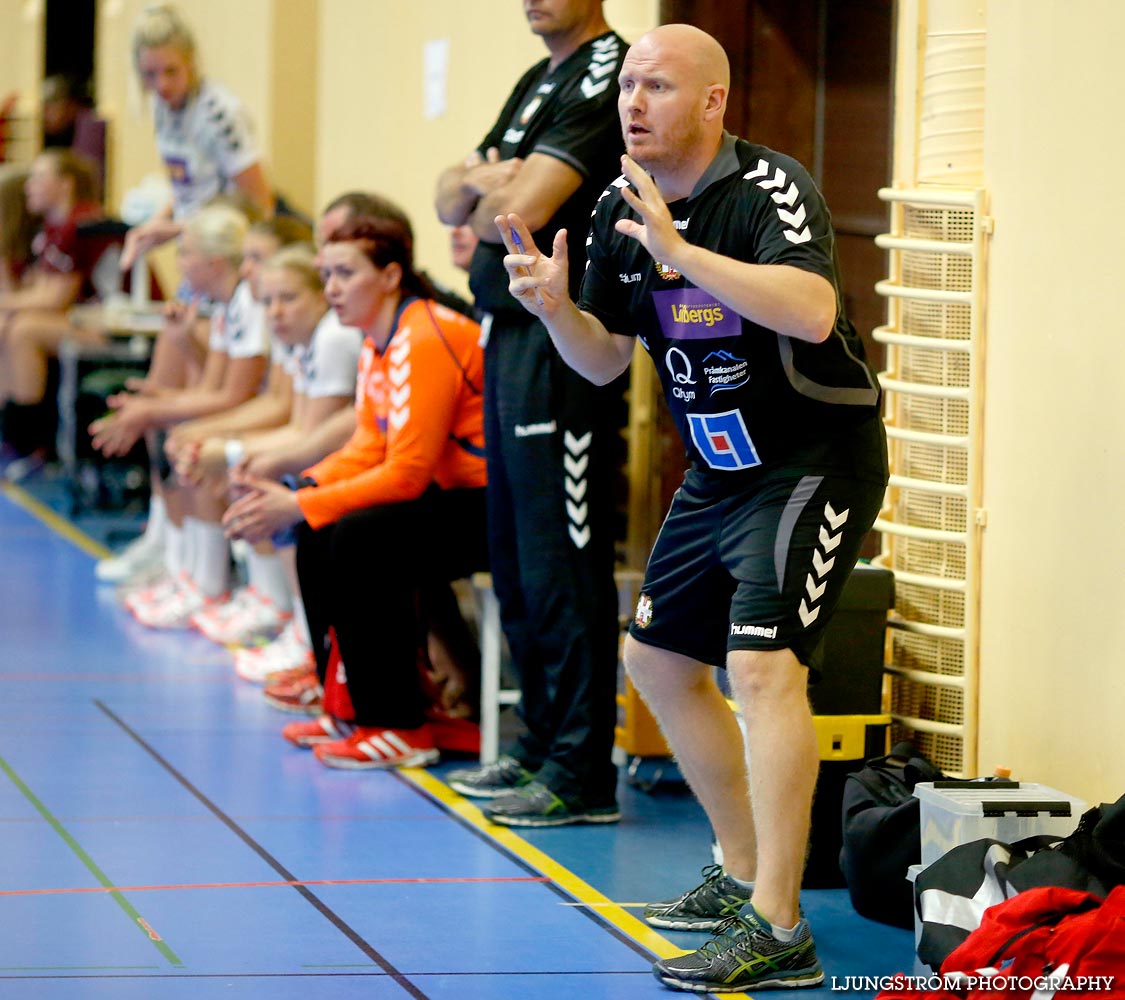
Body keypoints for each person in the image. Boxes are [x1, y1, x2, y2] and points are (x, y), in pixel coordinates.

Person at [494, 23, 889, 993]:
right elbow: (603, 359)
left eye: (658, 86)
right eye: (629, 84)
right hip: (719, 467)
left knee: (761, 665)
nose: (634, 102)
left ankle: (780, 924)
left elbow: (808, 310)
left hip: (813, 458)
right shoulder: (614, 212)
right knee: (659, 660)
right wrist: (555, 307)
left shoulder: (769, 188)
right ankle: (742, 865)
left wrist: (680, 249)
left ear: (712, 102)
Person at [433, 0, 626, 828]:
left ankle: (581, 770)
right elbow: (450, 196)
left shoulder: (602, 70)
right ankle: (538, 741)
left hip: (564, 340)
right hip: (508, 335)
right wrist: (475, 188)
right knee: (512, 552)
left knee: (561, 556)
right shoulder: (536, 77)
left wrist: (490, 188)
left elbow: (515, 212)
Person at [222, 195, 488, 769]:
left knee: (361, 537)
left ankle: (397, 725)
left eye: (345, 274)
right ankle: (345, 703)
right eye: (327, 276)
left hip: (488, 506)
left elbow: (407, 472)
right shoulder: (377, 342)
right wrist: (305, 489)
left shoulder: (424, 336)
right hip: (443, 498)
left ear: (391, 275)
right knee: (321, 528)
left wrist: (297, 501)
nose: (333, 288)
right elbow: (369, 444)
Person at [90, 203, 269, 627]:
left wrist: (153, 410)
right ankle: (186, 570)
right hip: (248, 409)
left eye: (184, 252)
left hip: (262, 417)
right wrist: (160, 394)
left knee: (188, 440)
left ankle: (212, 585)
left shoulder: (249, 304)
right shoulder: (228, 306)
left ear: (213, 262)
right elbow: (214, 387)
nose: (178, 262)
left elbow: (231, 397)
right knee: (173, 429)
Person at [119, 3, 274, 272]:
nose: (161, 85)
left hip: (227, 257)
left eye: (171, 71)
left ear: (190, 62)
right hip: (195, 249)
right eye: (149, 74)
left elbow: (259, 203)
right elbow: (187, 188)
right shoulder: (162, 108)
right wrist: (157, 224)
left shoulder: (219, 115)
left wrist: (179, 228)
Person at [0, 149, 106, 480]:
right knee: (12, 323)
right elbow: (38, 290)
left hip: (112, 328)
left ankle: (29, 441)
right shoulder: (54, 228)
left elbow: (55, 299)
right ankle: (12, 430)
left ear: (64, 184)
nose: (29, 185)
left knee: (24, 330)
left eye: (38, 177)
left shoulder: (82, 222)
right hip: (83, 319)